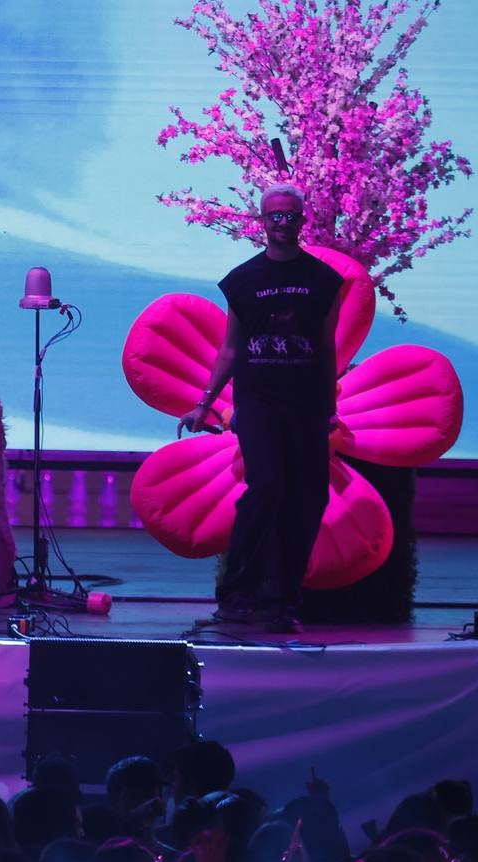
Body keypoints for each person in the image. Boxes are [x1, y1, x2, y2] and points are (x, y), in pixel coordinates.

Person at [179, 183, 344, 634]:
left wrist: (329, 405)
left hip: (306, 403)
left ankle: (282, 600)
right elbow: (230, 350)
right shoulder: (244, 281)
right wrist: (204, 404)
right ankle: (237, 594)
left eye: (291, 215)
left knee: (308, 497)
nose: (283, 223)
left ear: (302, 219)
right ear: (262, 221)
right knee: (266, 488)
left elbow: (326, 346)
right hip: (259, 402)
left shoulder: (323, 281)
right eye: (275, 215)